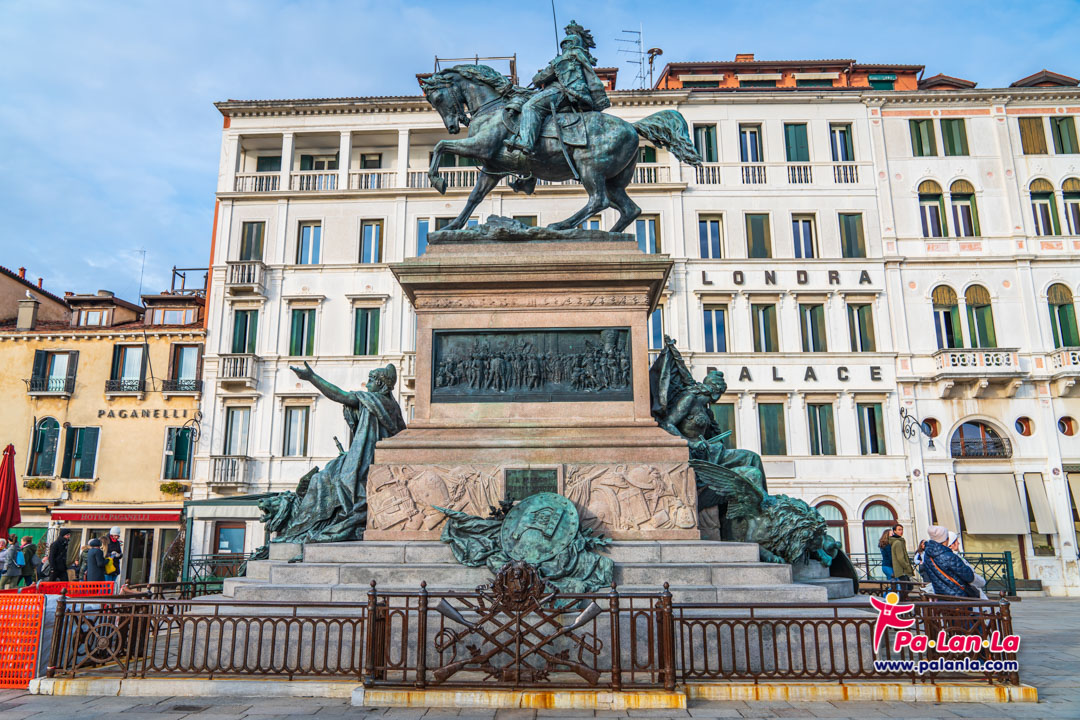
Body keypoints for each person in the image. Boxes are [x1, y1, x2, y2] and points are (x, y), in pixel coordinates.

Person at [504, 21, 610, 156]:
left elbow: (539, 79)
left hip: (562, 92)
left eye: (564, 45)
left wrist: (546, 71)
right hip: (575, 95)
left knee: (530, 107)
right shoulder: (578, 57)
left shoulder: (565, 58)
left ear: (570, 45)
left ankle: (526, 142)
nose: (563, 47)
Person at [919, 525, 975, 597]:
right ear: (946, 539)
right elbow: (969, 576)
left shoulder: (927, 554)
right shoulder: (948, 556)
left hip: (941, 595)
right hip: (958, 596)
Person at [949, 531, 988, 599]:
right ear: (951, 545)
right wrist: (982, 582)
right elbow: (969, 576)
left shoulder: (954, 557)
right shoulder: (955, 558)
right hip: (967, 592)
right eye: (956, 541)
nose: (958, 543)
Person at [889, 524, 916, 595]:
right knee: (906, 588)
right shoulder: (898, 542)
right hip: (902, 570)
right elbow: (900, 558)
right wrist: (906, 566)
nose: (901, 531)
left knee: (906, 587)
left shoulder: (898, 541)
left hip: (901, 569)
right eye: (899, 530)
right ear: (894, 531)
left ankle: (901, 600)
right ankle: (901, 602)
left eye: (902, 529)